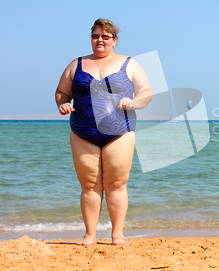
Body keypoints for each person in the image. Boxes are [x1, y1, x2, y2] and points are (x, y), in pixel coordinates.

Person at [55, 19, 152, 245]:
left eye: (105, 36)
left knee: (117, 184)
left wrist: (134, 102)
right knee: (89, 185)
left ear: (114, 41)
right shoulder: (76, 64)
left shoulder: (130, 64)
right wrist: (63, 104)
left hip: (120, 132)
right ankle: (90, 235)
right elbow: (62, 92)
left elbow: (146, 92)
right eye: (95, 36)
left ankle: (117, 234)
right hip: (82, 132)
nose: (100, 40)